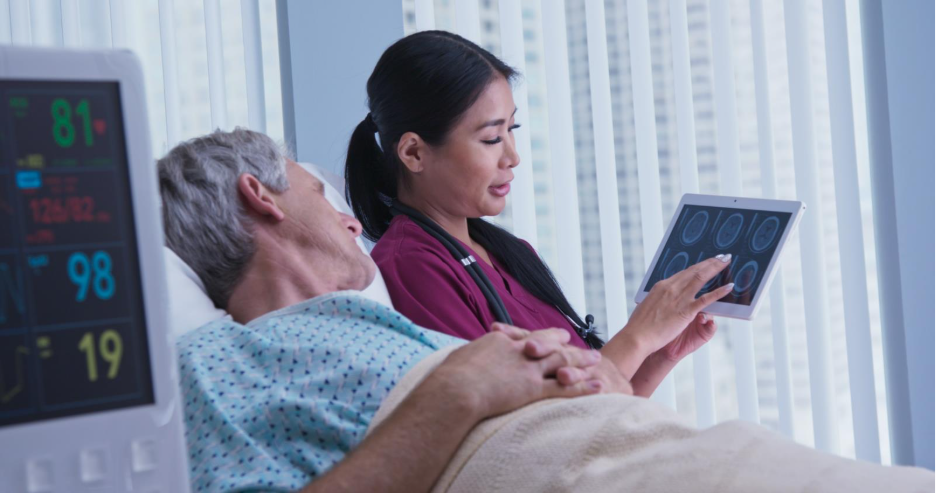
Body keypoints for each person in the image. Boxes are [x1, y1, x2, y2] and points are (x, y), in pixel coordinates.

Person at [159, 128, 722, 491]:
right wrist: (459, 391)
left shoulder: (380, 323)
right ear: (261, 196)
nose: (351, 222)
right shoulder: (215, 362)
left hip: (656, 456)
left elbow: (573, 419)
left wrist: (618, 373)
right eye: (318, 196)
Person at [345, 31, 720, 396]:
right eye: (492, 138)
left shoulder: (509, 253)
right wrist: (638, 337)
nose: (513, 157)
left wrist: (658, 356)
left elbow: (597, 413)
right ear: (414, 153)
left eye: (513, 129)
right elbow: (513, 425)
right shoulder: (412, 269)